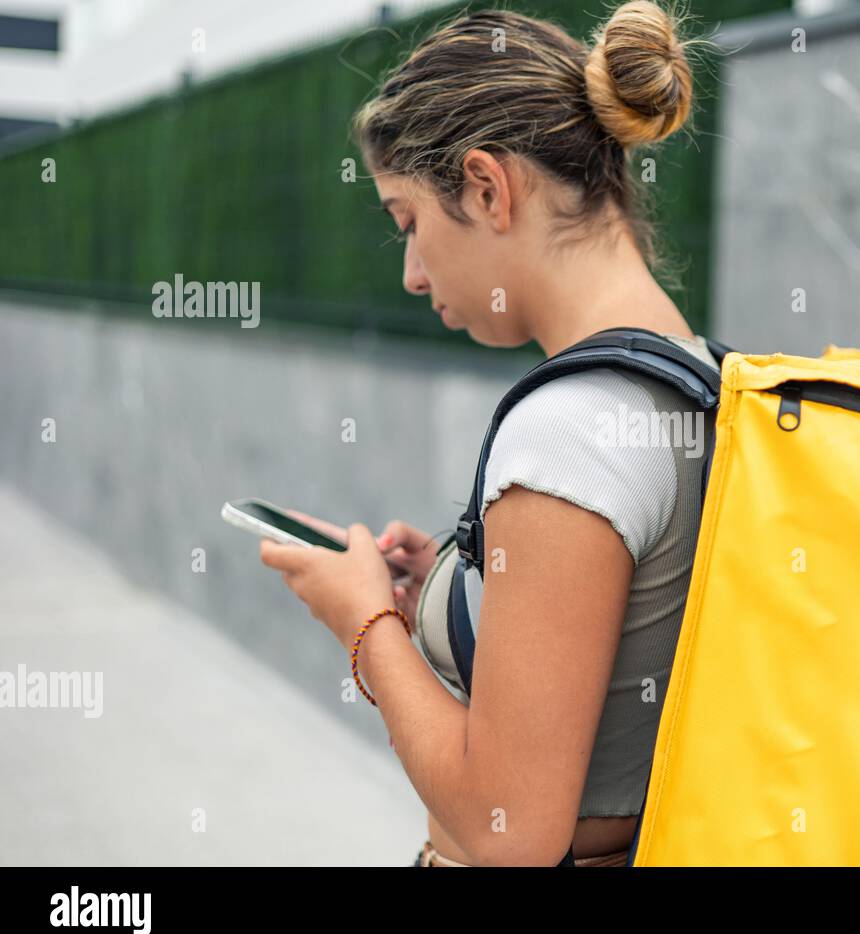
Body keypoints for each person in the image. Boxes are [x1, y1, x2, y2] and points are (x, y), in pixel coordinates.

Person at [258, 1, 720, 866]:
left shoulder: (570, 434)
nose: (410, 273)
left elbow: (508, 830)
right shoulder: (693, 373)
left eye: (408, 223)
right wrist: (452, 591)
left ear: (486, 187)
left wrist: (364, 626)